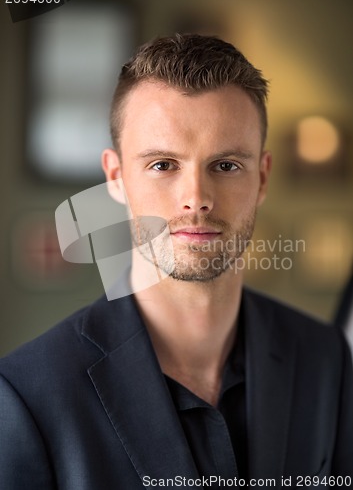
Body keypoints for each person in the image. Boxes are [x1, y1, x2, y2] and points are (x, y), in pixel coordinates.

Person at [0, 34, 352, 489]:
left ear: (261, 177)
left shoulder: (326, 359)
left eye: (225, 166)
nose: (196, 200)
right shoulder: (26, 395)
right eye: (163, 165)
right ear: (116, 177)